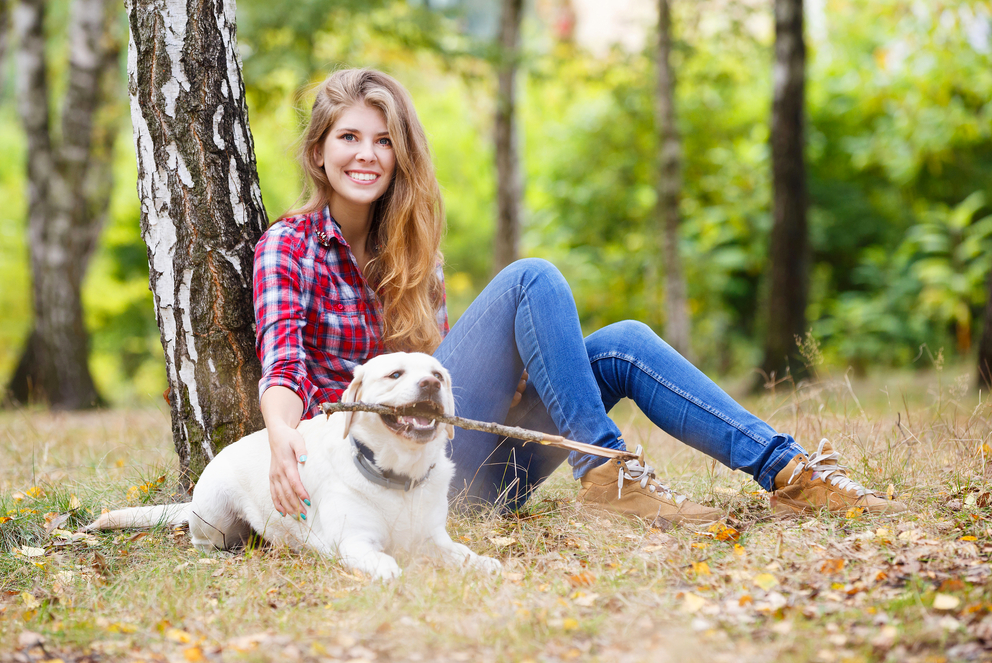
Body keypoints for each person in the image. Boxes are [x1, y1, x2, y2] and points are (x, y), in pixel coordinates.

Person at [253, 68, 905, 527]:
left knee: (621, 343)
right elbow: (281, 365)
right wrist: (282, 436)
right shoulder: (290, 244)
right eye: (349, 137)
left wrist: (518, 382)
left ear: (401, 154)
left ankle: (790, 472)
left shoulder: (416, 251)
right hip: (377, 480)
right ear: (317, 151)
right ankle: (606, 471)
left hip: (467, 476)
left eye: (384, 139)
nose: (367, 154)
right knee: (530, 276)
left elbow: (441, 380)